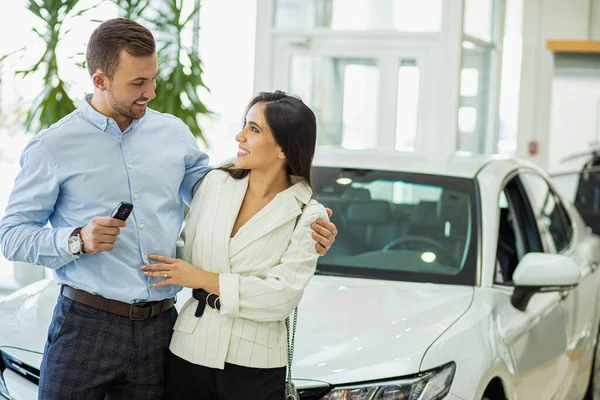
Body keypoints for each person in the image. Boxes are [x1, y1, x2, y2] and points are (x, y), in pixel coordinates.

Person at [0, 19, 337, 400]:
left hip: (162, 328)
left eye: (153, 79)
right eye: (137, 83)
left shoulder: (173, 133)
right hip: (85, 326)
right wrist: (77, 239)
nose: (151, 92)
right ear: (100, 81)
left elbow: (222, 196)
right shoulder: (53, 146)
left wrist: (303, 224)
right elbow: (11, 235)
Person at [140, 90, 326, 400]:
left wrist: (201, 279)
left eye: (253, 129)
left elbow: (281, 296)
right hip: (190, 347)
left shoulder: (309, 214)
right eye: (244, 124)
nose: (239, 136)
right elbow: (192, 253)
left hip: (255, 362)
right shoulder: (215, 184)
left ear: (282, 148)